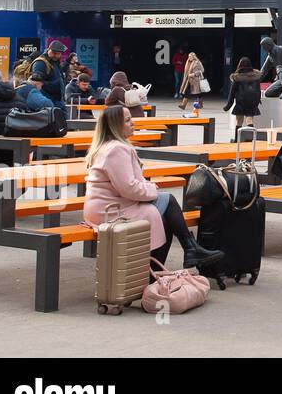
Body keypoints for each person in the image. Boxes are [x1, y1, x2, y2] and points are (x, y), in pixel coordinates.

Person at [82, 104, 224, 273]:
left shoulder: (110, 146)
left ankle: (186, 252)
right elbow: (129, 189)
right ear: (115, 125)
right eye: (127, 120)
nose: (132, 123)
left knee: (165, 212)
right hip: (110, 210)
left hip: (109, 205)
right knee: (164, 214)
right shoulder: (116, 150)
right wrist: (152, 190)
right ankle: (174, 260)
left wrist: (150, 190)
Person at [223, 57, 262, 132]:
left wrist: (228, 106)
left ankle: (237, 140)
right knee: (249, 120)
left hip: (241, 103)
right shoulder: (256, 77)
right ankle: (250, 139)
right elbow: (258, 91)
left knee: (239, 122)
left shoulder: (237, 77)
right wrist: (257, 102)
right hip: (252, 102)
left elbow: (232, 93)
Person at [29, 41, 67, 110]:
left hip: (57, 100)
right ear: (48, 49)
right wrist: (48, 101)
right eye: (54, 53)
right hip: (49, 102)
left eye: (58, 53)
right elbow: (36, 85)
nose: (56, 55)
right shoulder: (40, 63)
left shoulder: (55, 62)